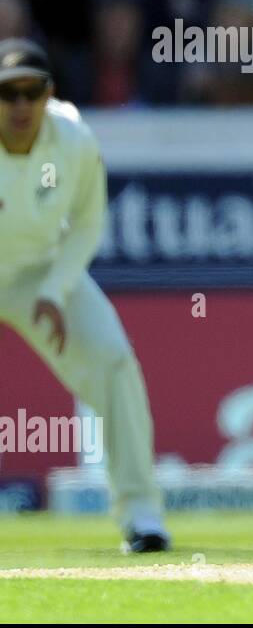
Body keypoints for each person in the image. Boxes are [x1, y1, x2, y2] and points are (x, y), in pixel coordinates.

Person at [0, 39, 169, 552]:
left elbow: (89, 222)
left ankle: (143, 518)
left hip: (40, 271)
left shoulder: (73, 138)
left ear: (49, 93)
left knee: (114, 360)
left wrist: (55, 289)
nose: (21, 106)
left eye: (33, 92)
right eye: (9, 94)